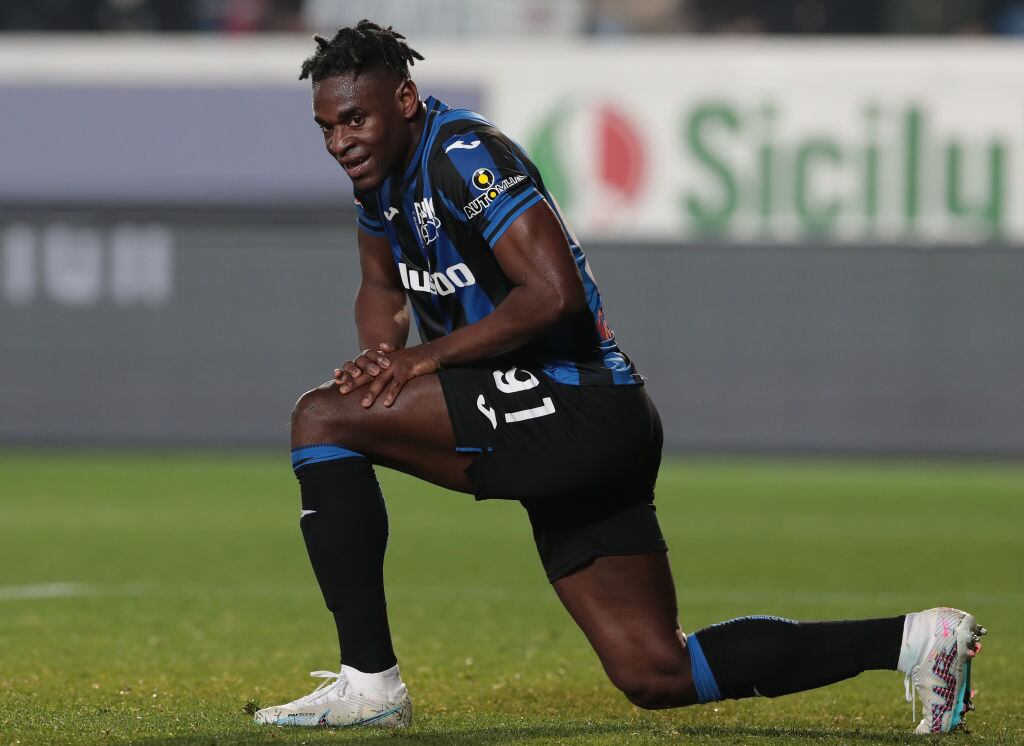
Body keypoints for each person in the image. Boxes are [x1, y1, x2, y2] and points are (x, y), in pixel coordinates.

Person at [254, 20, 986, 735]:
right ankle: (919, 641)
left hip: (576, 404)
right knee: (656, 672)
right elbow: (382, 289)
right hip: (571, 418)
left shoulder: (463, 154)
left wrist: (424, 358)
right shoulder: (378, 179)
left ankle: (370, 684)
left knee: (322, 419)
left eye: (354, 119)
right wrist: (383, 352)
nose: (340, 141)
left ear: (405, 101)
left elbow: (552, 293)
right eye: (326, 127)